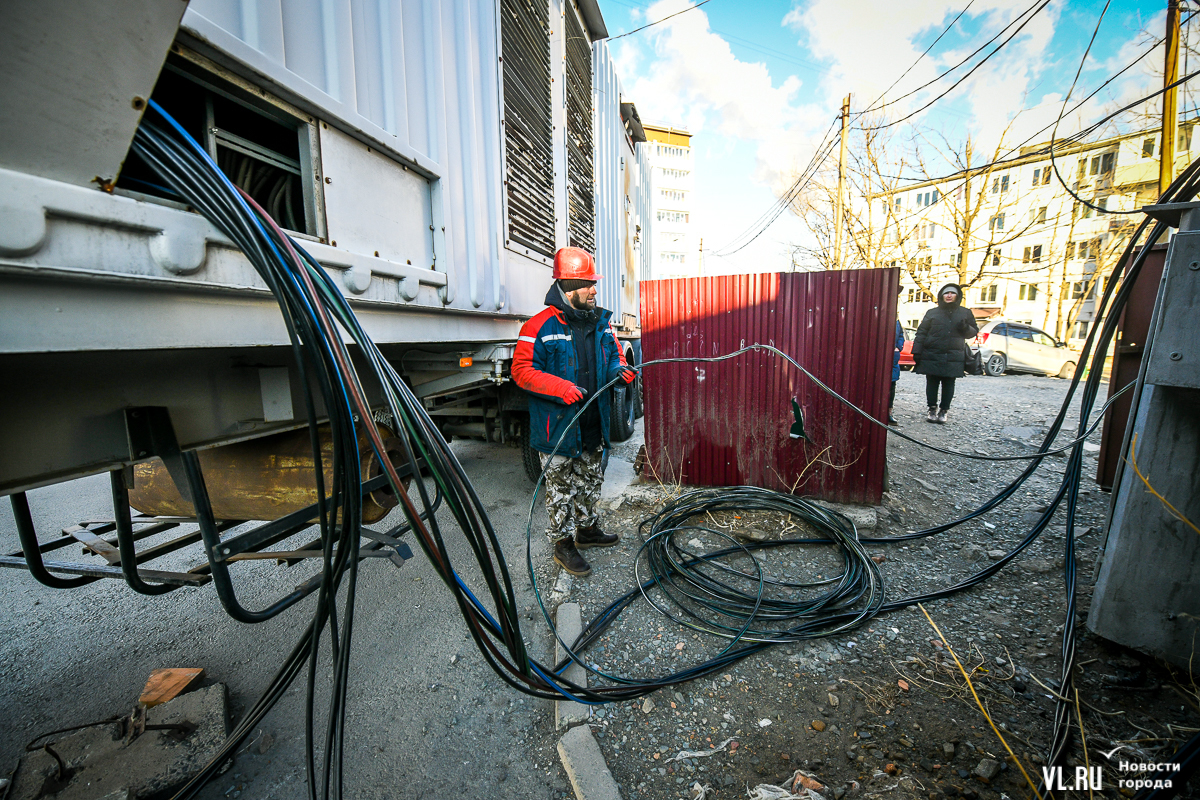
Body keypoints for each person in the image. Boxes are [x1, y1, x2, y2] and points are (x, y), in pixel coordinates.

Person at [511, 246, 637, 577]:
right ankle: (563, 545)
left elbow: (613, 358)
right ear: (568, 286)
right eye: (588, 283)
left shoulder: (602, 323)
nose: (595, 289)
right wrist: (560, 388)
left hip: (593, 424)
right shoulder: (537, 326)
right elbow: (522, 371)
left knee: (591, 480)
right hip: (559, 431)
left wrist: (619, 373)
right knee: (560, 491)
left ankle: (587, 530)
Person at [912, 283, 978, 424]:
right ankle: (932, 409)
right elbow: (921, 332)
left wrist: (965, 328)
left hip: (953, 355)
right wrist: (917, 351)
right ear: (941, 295)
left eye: (952, 293)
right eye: (946, 293)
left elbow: (973, 332)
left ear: (957, 296)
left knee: (949, 383)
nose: (949, 295)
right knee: (932, 382)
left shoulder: (965, 312)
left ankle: (944, 410)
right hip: (932, 353)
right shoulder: (932, 313)